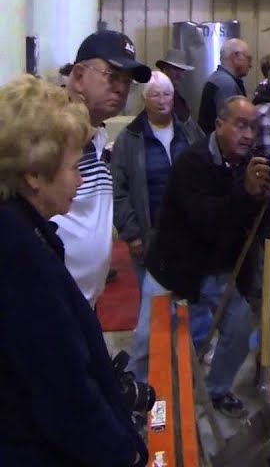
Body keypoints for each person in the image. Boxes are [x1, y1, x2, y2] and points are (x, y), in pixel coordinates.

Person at [0, 75, 149, 467]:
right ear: (34, 174)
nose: (81, 179)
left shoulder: (22, 231)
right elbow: (63, 393)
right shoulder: (20, 257)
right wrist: (126, 454)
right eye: (73, 166)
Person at [131, 97, 270, 417]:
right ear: (219, 125)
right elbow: (205, 221)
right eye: (240, 125)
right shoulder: (192, 163)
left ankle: (216, 390)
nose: (248, 135)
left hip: (222, 270)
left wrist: (265, 198)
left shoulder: (250, 166)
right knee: (148, 343)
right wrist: (245, 193)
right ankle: (138, 402)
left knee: (240, 331)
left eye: (253, 127)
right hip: (175, 268)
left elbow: (257, 223)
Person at [60, 30, 152, 304]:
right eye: (112, 76)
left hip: (85, 302)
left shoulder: (97, 135)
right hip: (48, 303)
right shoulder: (49, 140)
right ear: (79, 76)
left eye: (127, 81)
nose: (121, 89)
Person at [111, 72, 204, 281]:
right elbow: (118, 190)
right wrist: (132, 233)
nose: (162, 101)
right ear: (144, 99)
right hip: (150, 235)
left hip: (189, 232)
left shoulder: (189, 130)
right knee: (154, 297)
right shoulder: (129, 139)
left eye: (167, 94)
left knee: (191, 293)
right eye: (155, 95)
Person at [198, 38, 251, 134]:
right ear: (235, 57)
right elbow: (231, 126)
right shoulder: (226, 84)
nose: (250, 64)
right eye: (248, 58)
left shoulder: (217, 78)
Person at [154, 51, 196, 123]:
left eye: (182, 70)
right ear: (164, 69)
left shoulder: (175, 95)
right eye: (176, 69)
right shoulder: (157, 96)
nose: (180, 75)